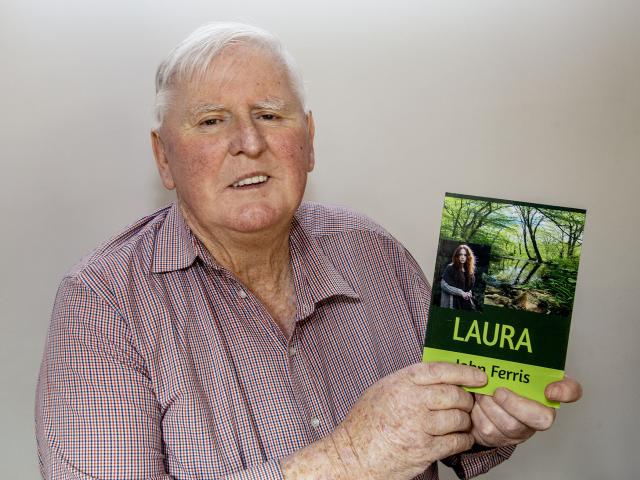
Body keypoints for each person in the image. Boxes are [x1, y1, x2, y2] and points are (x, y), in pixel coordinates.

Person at [35, 22, 582, 480]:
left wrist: (488, 426)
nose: (249, 142)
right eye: (210, 121)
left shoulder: (375, 253)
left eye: (271, 115)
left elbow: (461, 428)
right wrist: (348, 458)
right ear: (163, 158)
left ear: (310, 140)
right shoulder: (102, 303)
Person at [440, 245, 476, 310]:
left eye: (465, 255)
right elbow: (443, 285)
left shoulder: (469, 271)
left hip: (464, 304)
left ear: (468, 257)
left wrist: (469, 293)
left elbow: (468, 287)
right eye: (460, 255)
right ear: (457, 256)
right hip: (452, 303)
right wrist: (460, 292)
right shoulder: (451, 267)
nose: (462, 257)